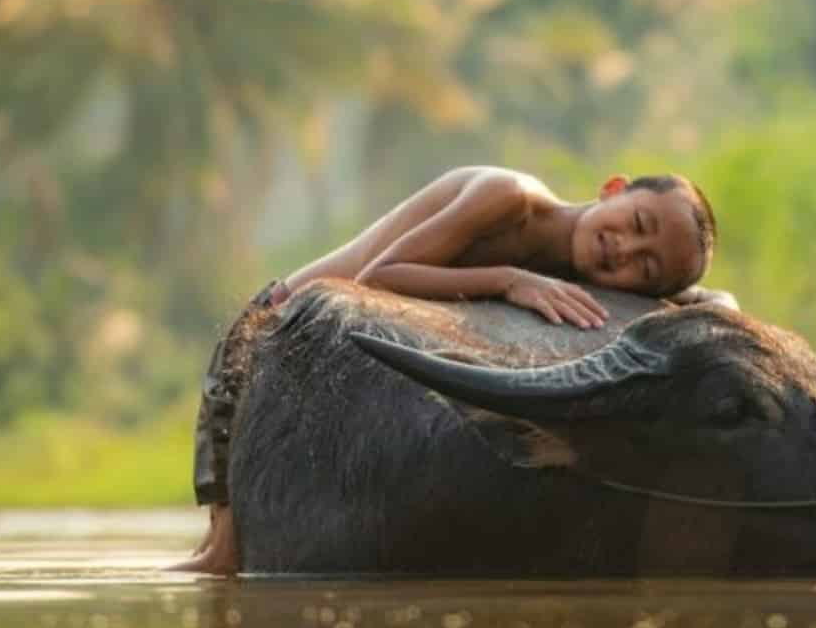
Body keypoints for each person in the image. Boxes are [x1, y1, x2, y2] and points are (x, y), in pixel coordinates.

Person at [174, 166, 719, 574]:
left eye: (646, 267)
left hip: (348, 355)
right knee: (222, 559)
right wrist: (509, 280)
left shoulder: (580, 268)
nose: (623, 248)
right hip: (273, 329)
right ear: (613, 188)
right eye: (637, 223)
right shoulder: (509, 200)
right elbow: (379, 275)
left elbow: (700, 300)